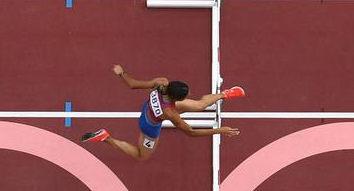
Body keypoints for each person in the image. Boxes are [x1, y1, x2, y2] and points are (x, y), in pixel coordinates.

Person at [80, 64, 244, 162]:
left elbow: (133, 85)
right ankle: (106, 137)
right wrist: (219, 131)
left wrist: (121, 72)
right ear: (177, 99)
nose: (188, 95)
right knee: (141, 155)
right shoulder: (170, 113)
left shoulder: (162, 83)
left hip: (150, 108)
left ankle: (226, 94)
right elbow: (191, 132)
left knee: (200, 104)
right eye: (186, 95)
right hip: (149, 127)